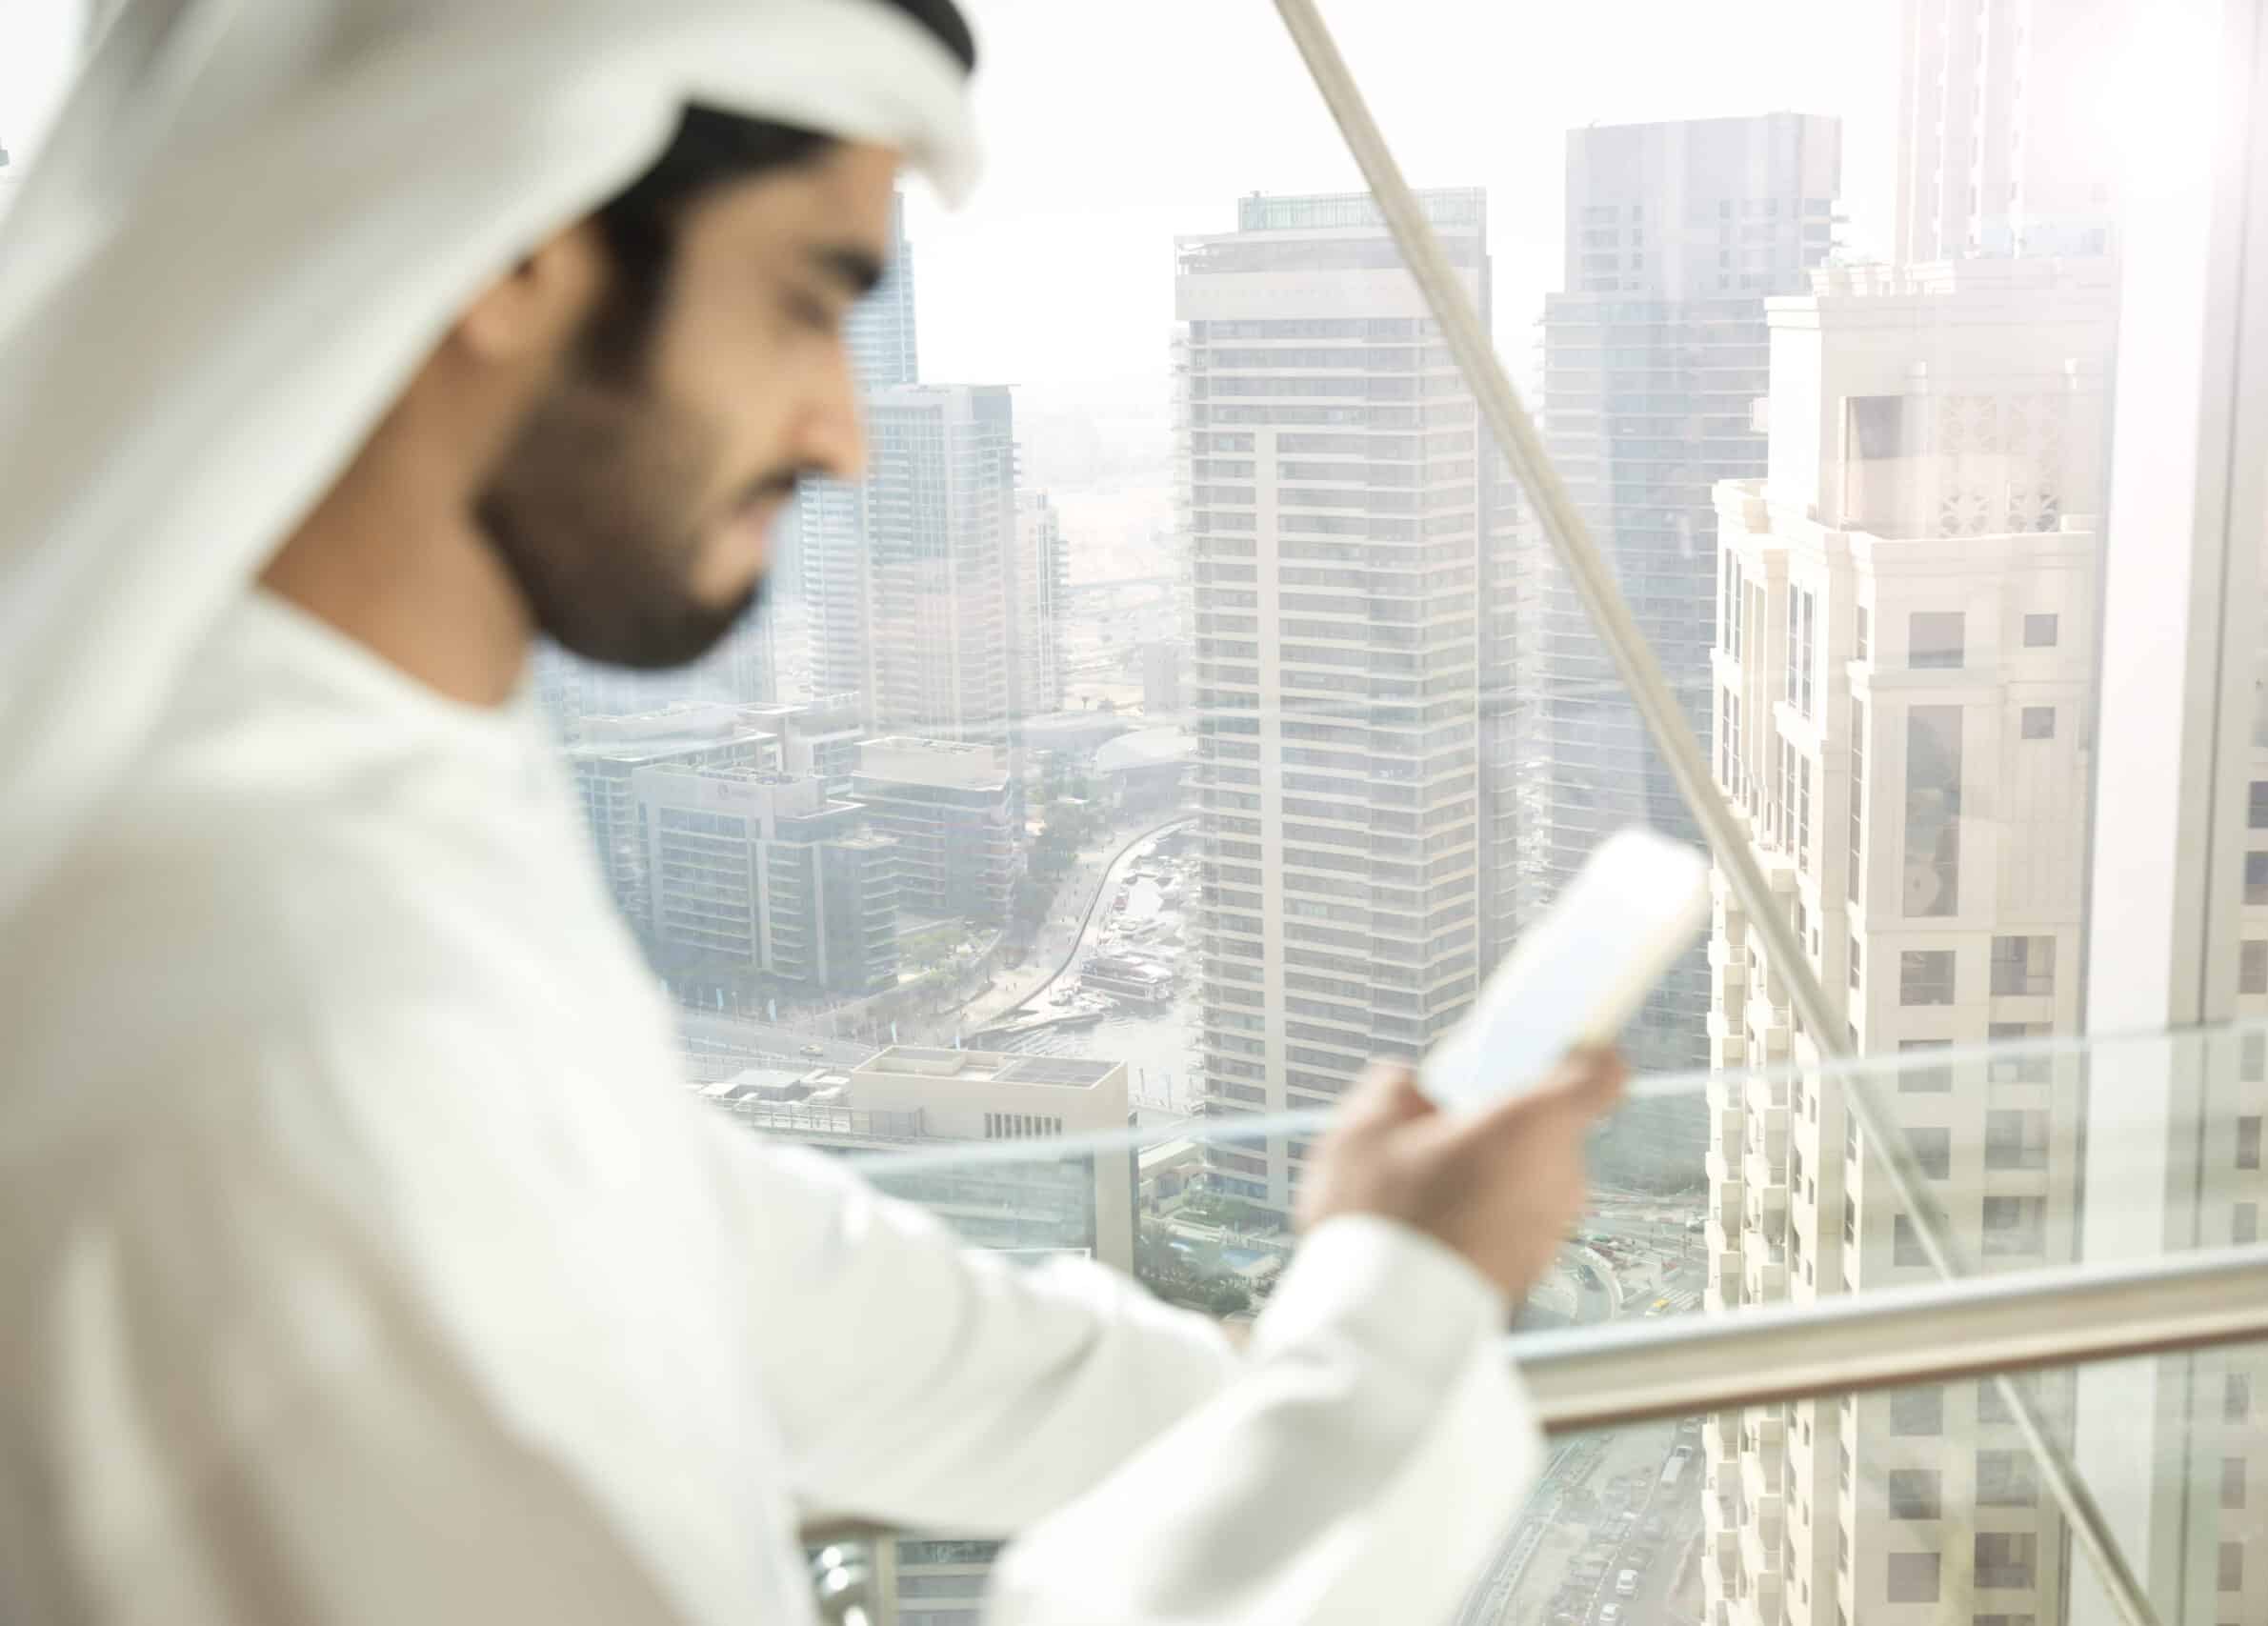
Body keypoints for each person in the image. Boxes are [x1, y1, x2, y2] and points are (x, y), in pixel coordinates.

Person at [0, 2, 1625, 1622]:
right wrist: (1398, 1323)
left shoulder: (362, 802)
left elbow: (729, 1264)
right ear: (512, 251)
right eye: (802, 302)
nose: (842, 436)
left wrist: (1306, 1350)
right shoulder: (261, 1019)